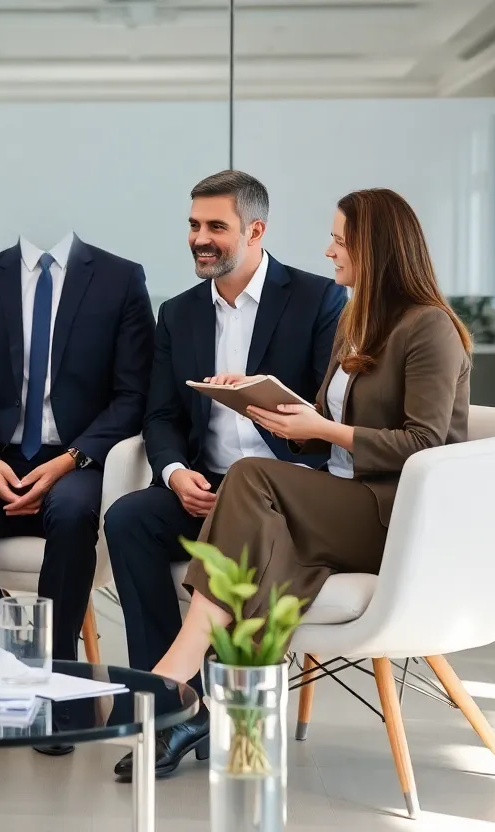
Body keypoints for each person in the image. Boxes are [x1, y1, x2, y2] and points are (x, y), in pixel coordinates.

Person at [121, 186, 472, 779]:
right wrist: (267, 403)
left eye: (340, 240)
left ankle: (175, 676)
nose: (329, 250)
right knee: (244, 511)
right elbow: (326, 421)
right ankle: (212, 707)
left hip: (392, 513)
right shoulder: (359, 323)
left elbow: (426, 445)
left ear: (375, 249)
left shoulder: (429, 328)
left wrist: (323, 432)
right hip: (341, 496)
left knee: (251, 478)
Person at [105, 170, 346, 780]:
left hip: (284, 489)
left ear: (256, 230)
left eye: (216, 226)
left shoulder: (318, 300)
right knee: (128, 519)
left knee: (244, 513)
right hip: (204, 482)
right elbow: (159, 414)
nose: (200, 238)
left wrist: (269, 416)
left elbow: (330, 416)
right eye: (194, 225)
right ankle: (169, 706)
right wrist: (176, 471)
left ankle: (195, 703)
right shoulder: (180, 313)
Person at [0, 231, 155, 677]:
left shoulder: (120, 279)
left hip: (78, 458)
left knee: (71, 513)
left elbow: (133, 396)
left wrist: (72, 458)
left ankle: (58, 670)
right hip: (0, 454)